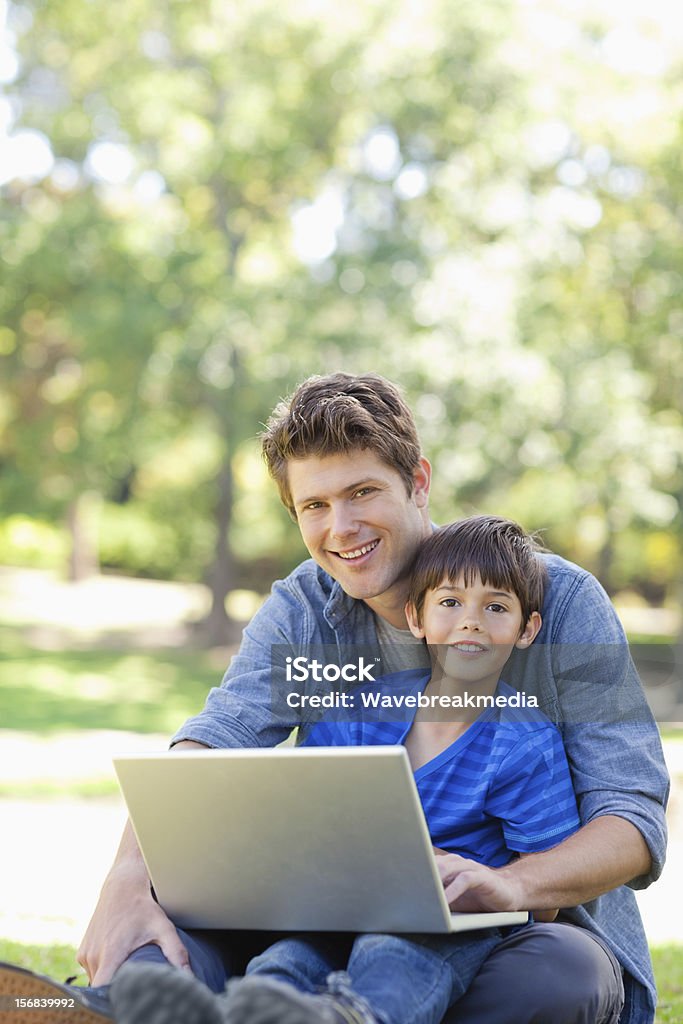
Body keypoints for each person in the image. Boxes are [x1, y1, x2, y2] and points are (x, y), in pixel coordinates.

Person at [0, 373, 669, 1024]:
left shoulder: (550, 598)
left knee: (555, 978)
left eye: (362, 492)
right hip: (325, 923)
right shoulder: (305, 607)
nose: (341, 527)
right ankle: (122, 1007)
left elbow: (632, 816)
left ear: (419, 483)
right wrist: (124, 879)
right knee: (158, 939)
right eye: (315, 506)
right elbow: (215, 739)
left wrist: (514, 886)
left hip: (509, 932)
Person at [112, 514, 582, 1024]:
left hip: (450, 925)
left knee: (394, 954)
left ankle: (347, 1019)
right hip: (338, 906)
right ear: (416, 618)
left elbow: (547, 898)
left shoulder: (526, 744)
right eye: (450, 603)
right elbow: (305, 815)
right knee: (284, 960)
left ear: (526, 629)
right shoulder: (359, 711)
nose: (470, 621)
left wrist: (485, 882)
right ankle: (211, 1015)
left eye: (495, 607)